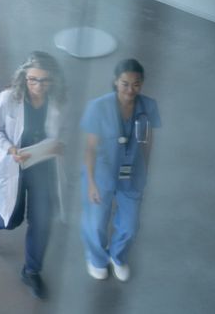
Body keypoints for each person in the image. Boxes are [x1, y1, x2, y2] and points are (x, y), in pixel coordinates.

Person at [0, 51, 66, 300]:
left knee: (41, 223)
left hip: (44, 167)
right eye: (33, 80)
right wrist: (11, 149)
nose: (38, 86)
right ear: (24, 77)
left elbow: (65, 131)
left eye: (44, 80)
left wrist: (61, 144)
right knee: (12, 219)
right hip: (15, 166)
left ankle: (31, 271)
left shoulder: (59, 102)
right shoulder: (9, 98)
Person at [80, 59, 161, 282]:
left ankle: (118, 256)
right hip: (101, 173)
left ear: (142, 84)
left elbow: (147, 143)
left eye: (136, 84)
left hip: (132, 174)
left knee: (130, 224)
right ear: (116, 82)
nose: (130, 89)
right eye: (125, 83)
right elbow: (90, 148)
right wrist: (91, 183)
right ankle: (96, 259)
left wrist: (145, 173)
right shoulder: (99, 107)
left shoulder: (149, 106)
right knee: (95, 222)